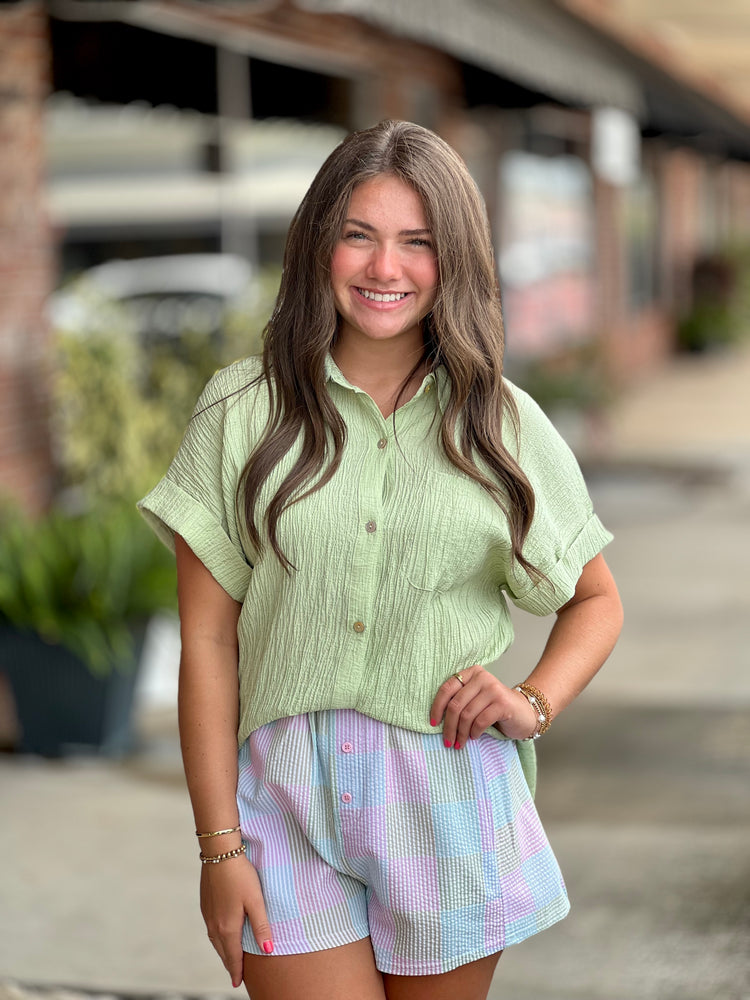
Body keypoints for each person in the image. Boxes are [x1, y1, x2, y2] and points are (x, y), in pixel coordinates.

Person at [138, 119, 623, 1000]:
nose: (385, 267)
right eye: (358, 235)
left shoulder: (501, 424)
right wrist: (217, 847)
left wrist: (532, 702)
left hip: (449, 801)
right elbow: (206, 642)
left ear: (454, 258)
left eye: (417, 242)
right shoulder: (242, 411)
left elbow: (594, 599)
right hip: (283, 802)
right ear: (318, 244)